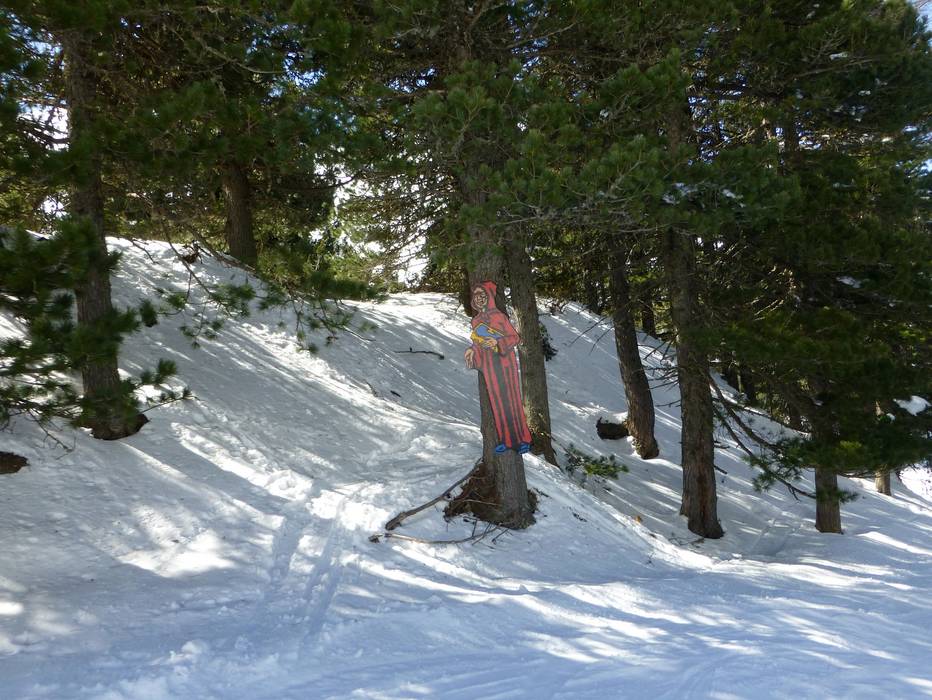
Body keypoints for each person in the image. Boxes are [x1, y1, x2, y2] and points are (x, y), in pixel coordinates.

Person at [464, 281, 532, 454]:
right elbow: (478, 342)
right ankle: (506, 440)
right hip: (490, 367)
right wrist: (472, 350)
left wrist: (498, 342)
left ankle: (523, 439)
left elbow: (514, 337)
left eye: (482, 295)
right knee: (497, 404)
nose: (479, 298)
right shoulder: (476, 321)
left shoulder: (499, 316)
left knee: (512, 401)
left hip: (505, 364)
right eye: (476, 296)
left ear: (489, 297)